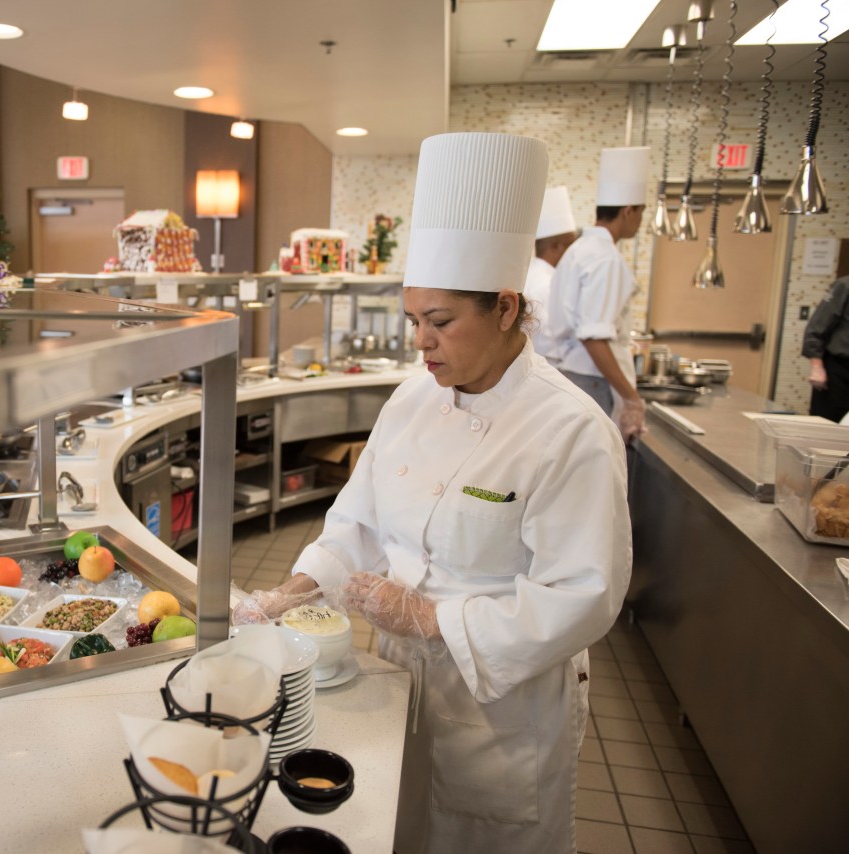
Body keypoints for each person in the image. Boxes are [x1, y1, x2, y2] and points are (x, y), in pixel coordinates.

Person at [235, 133, 631, 853]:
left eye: (440, 322)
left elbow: (582, 596)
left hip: (501, 708)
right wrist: (286, 593)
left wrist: (432, 618)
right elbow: (356, 522)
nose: (420, 342)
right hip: (397, 680)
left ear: (507, 307)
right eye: (414, 320)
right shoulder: (416, 396)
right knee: (399, 823)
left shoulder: (571, 430)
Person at [542, 147, 651, 443]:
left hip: (572, 375)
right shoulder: (604, 257)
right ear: (629, 211)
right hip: (591, 381)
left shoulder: (577, 250)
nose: (641, 221)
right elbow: (592, 336)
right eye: (641, 212)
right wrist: (631, 398)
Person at [524, 185, 578, 355]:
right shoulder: (546, 285)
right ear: (556, 246)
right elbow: (547, 343)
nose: (575, 251)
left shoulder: (529, 274)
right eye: (571, 244)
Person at [802, 274, 849, 422]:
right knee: (826, 425)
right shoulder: (844, 285)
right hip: (840, 370)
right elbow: (816, 328)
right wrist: (817, 367)